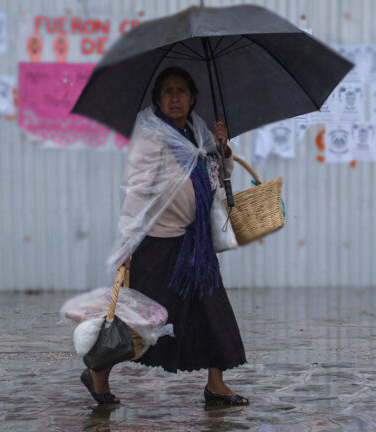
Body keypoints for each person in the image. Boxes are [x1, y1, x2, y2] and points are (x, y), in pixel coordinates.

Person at [79, 67, 248, 406]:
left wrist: (222, 150)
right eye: (168, 91)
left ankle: (216, 384)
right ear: (157, 99)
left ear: (192, 98)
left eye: (181, 91)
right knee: (140, 323)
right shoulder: (152, 136)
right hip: (157, 245)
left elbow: (216, 179)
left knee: (213, 315)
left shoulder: (197, 133)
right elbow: (137, 192)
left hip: (196, 248)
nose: (175, 97)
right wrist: (128, 244)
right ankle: (98, 374)